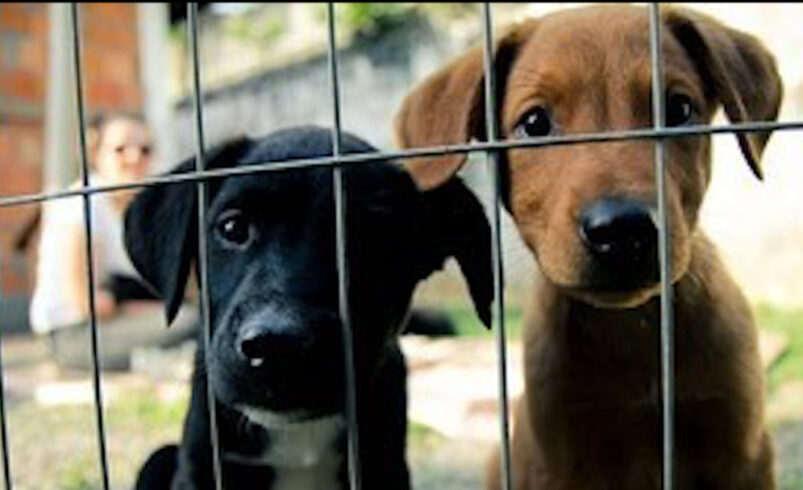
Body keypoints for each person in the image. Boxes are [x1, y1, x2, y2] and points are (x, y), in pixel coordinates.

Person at [29, 113, 198, 371]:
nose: (134, 158)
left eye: (145, 150)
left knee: (194, 319)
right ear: (96, 154)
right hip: (73, 333)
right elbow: (86, 304)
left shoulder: (142, 206)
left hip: (117, 319)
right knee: (189, 322)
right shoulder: (83, 205)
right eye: (120, 149)